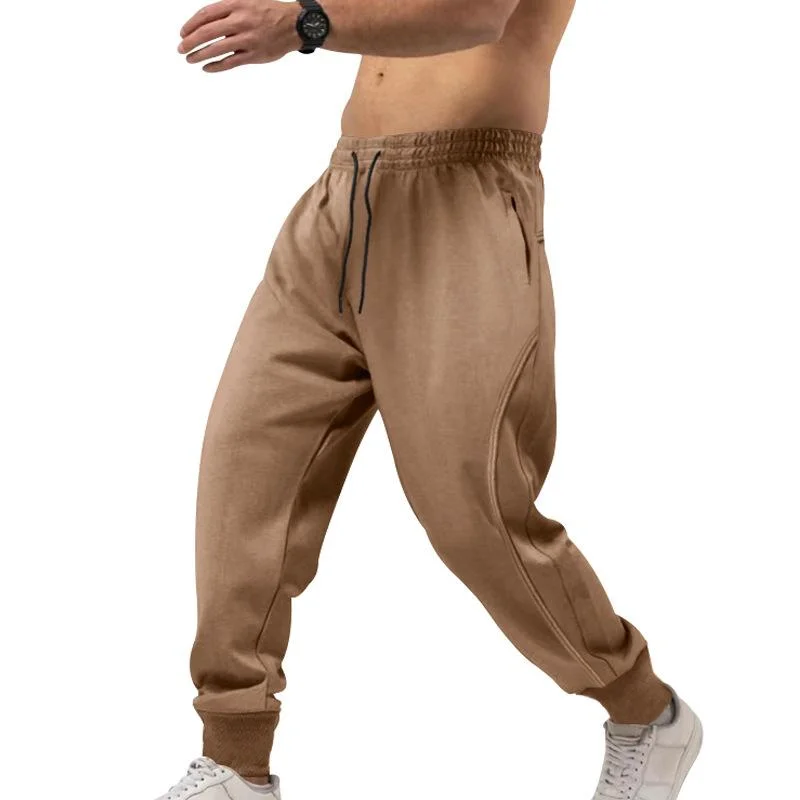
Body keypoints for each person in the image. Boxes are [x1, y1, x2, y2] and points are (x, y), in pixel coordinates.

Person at [156, 1, 703, 798]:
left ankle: (644, 710)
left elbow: (476, 15)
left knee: (473, 513)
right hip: (344, 195)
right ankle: (235, 762)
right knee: (243, 480)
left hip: (465, 191)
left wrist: (305, 25)